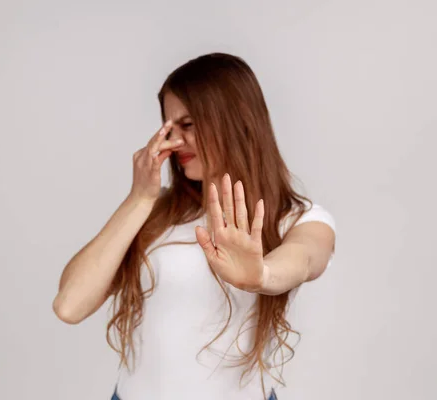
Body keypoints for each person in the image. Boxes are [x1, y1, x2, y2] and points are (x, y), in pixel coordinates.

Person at [53, 53, 336, 400]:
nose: (174, 141)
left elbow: (305, 258)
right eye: (169, 128)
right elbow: (69, 305)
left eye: (187, 125)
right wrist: (139, 199)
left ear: (234, 121)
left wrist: (261, 275)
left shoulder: (297, 218)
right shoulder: (155, 214)